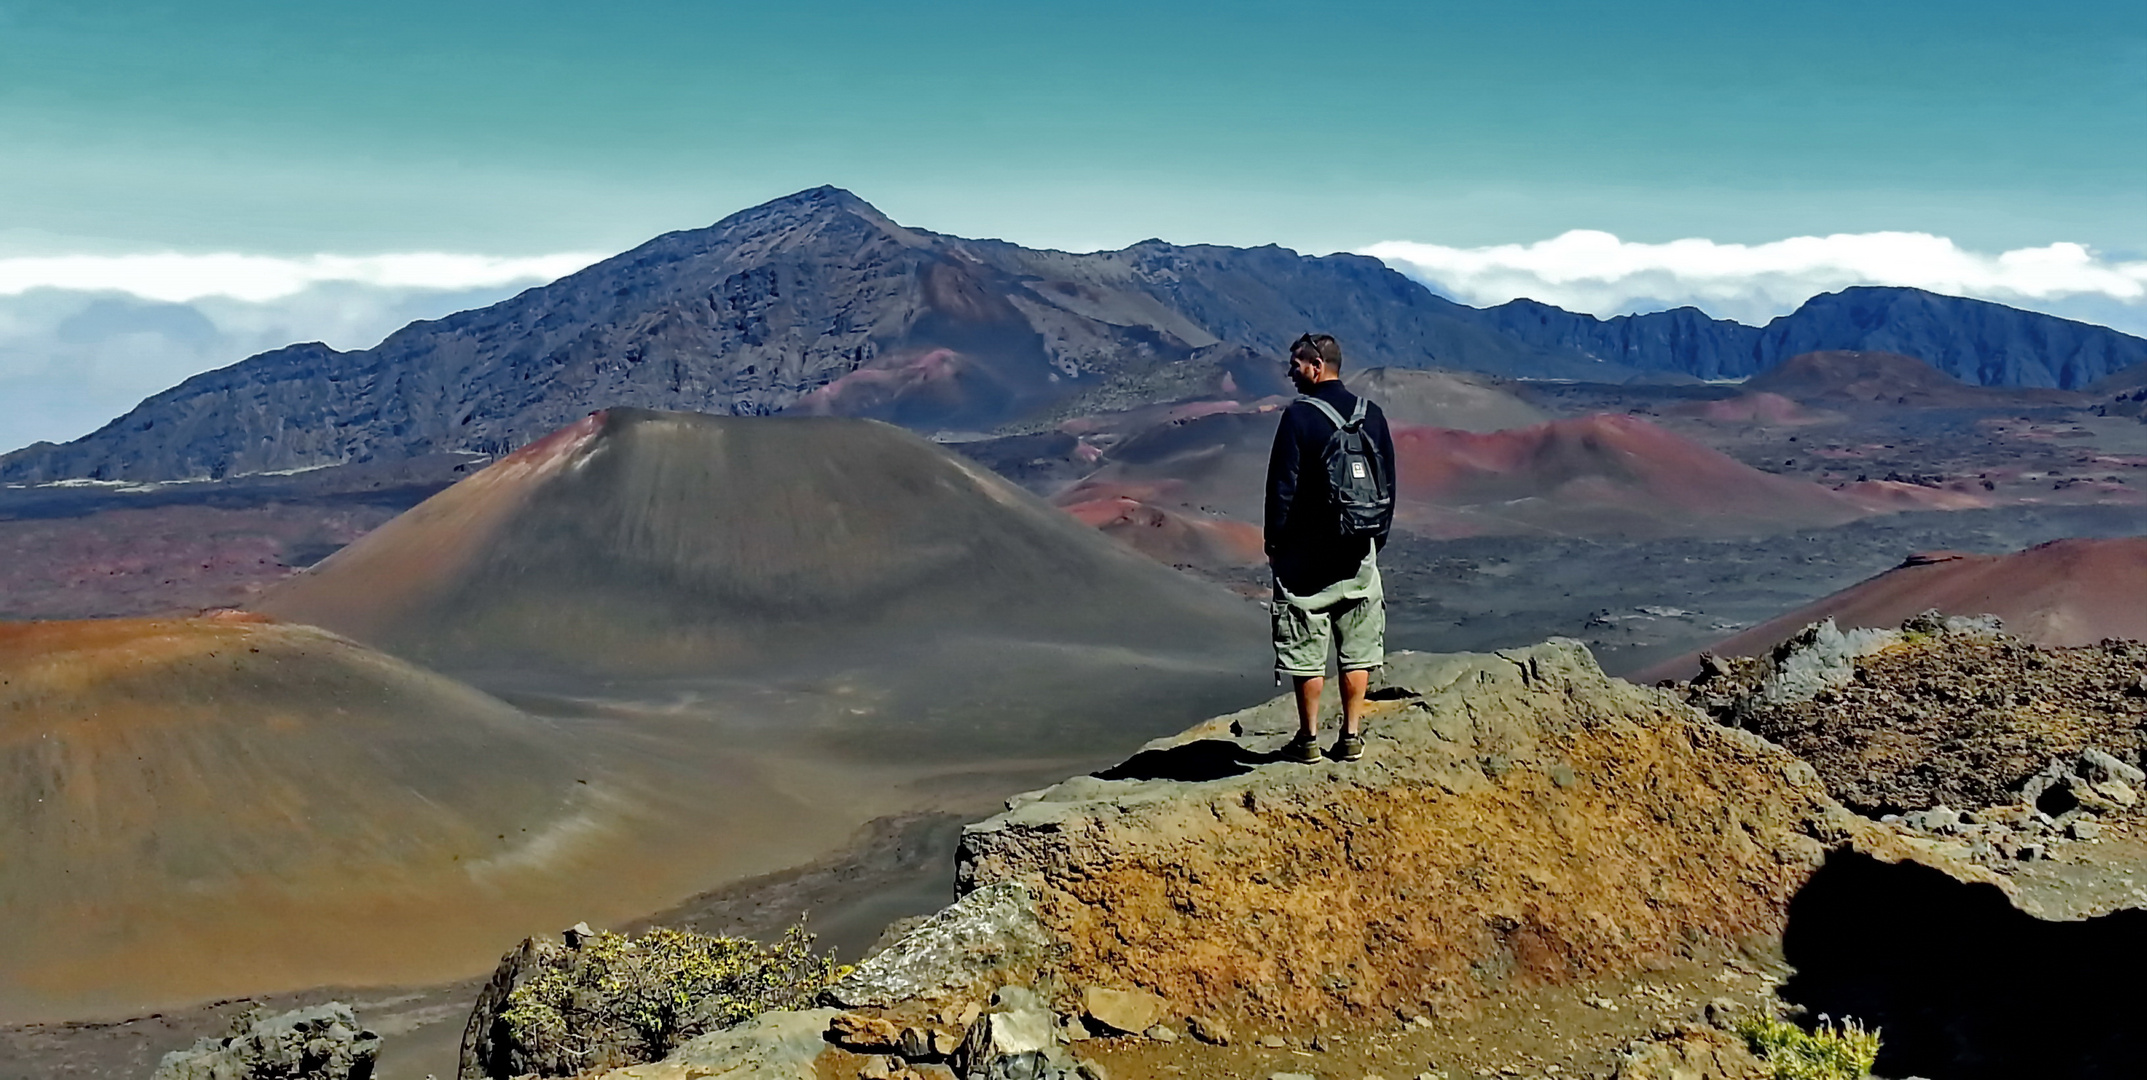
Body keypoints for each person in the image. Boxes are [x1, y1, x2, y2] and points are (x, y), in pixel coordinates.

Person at [1264, 333, 1396, 763]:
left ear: (1317, 366)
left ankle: (1308, 739)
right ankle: (1352, 735)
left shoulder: (1299, 417)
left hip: (1306, 556)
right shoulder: (1370, 414)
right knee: (1357, 645)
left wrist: (1275, 543)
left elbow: (1282, 485)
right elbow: (1388, 482)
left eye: (1296, 364)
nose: (1291, 371)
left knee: (1306, 643)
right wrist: (1375, 538)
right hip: (1359, 548)